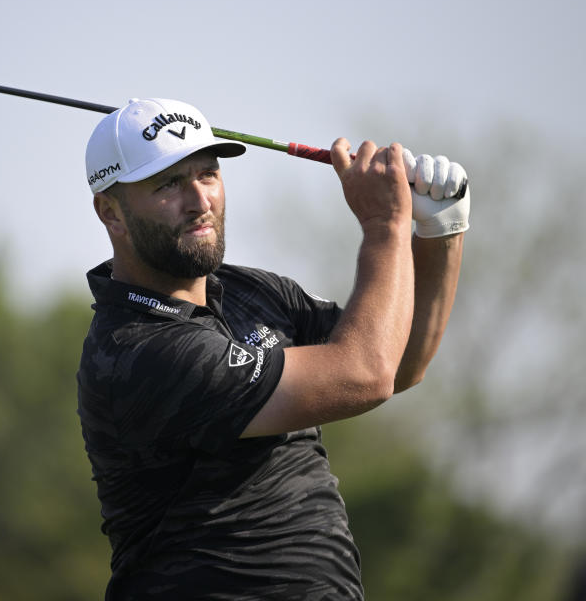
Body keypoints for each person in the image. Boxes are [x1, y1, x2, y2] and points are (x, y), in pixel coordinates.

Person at [76, 98, 468, 599]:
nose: (200, 200)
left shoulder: (255, 293)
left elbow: (400, 360)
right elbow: (366, 374)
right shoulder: (135, 350)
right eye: (168, 184)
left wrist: (440, 232)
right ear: (111, 212)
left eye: (208, 175)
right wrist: (384, 225)